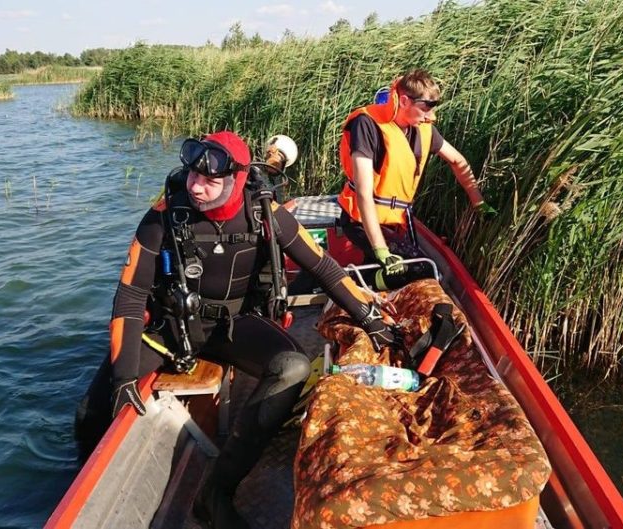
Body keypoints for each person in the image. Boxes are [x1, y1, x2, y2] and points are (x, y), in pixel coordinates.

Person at [108, 131, 400, 529]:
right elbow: (130, 294)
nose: (196, 187)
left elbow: (324, 268)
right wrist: (124, 375)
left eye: (209, 180)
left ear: (238, 178)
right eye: (192, 176)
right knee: (94, 406)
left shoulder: (265, 213)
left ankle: (216, 493)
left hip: (233, 325)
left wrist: (371, 319)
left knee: (294, 367)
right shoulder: (164, 214)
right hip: (171, 326)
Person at [337, 69, 495, 290]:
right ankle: (350, 284)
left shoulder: (423, 129)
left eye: (433, 108)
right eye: (425, 108)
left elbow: (458, 162)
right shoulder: (367, 125)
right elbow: (364, 194)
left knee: (405, 267)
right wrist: (382, 250)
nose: (431, 116)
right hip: (360, 220)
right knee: (422, 270)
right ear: (404, 101)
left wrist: (480, 204)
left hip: (395, 222)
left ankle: (372, 279)